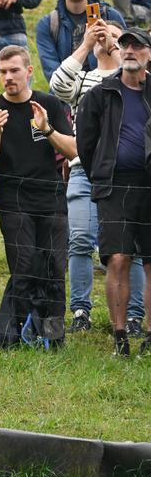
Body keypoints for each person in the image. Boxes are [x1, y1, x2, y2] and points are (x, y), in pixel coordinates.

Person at [50, 5, 147, 335]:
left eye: (122, 38)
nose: (115, 42)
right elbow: (59, 87)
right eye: (118, 40)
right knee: (87, 242)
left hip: (140, 182)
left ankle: (136, 318)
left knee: (136, 252)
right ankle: (82, 311)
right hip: (92, 175)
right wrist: (87, 44)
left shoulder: (144, 85)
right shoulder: (89, 83)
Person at [0, 45, 75, 346]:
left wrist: (47, 130)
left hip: (51, 196)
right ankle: (14, 333)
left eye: (14, 70)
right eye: (3, 71)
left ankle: (53, 336)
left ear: (28, 71)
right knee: (25, 263)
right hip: (12, 196)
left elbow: (73, 150)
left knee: (55, 265)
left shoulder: (49, 105)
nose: (8, 77)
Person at [72, 25, 151, 356]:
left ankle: (149, 334)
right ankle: (120, 336)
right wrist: (100, 176)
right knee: (117, 257)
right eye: (125, 45)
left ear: (149, 54)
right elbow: (85, 143)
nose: (130, 51)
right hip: (114, 185)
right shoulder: (101, 94)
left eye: (137, 46)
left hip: (149, 184)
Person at [38, 0, 127, 80]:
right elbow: (52, 72)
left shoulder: (110, 15)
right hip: (68, 92)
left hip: (108, 88)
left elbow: (126, 56)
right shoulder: (48, 24)